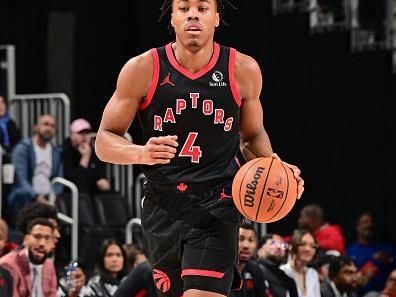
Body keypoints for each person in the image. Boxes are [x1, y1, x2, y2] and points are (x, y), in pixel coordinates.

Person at [95, 1, 305, 297]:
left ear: (217, 18)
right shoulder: (143, 68)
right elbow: (104, 140)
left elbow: (251, 135)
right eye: (183, 7)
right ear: (172, 18)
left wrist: (275, 168)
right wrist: (140, 152)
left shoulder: (242, 69)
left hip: (217, 203)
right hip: (163, 204)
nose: (193, 14)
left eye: (203, 7)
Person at [7, 114, 63, 214]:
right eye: (46, 124)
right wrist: (36, 196)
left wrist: (53, 197)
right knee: (21, 194)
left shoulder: (56, 152)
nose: (49, 128)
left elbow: (59, 180)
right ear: (35, 127)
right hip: (27, 196)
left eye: (53, 126)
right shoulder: (23, 148)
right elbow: (20, 179)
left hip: (48, 197)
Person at [0, 218, 57, 297]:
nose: (42, 243)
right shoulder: (9, 265)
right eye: (37, 236)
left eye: (47, 238)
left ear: (52, 244)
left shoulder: (49, 265)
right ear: (26, 239)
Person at [347, 212, 396, 296]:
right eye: (365, 222)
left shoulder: (384, 249)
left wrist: (389, 259)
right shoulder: (350, 251)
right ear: (357, 227)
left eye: (371, 222)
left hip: (382, 293)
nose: (369, 225)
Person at [62, 118, 110, 196]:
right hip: (73, 195)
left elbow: (101, 176)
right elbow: (76, 182)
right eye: (80, 133)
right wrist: (85, 157)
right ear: (71, 135)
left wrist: (103, 182)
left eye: (87, 133)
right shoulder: (65, 152)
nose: (84, 136)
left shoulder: (96, 152)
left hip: (94, 194)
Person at [281, 229, 321, 297]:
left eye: (312, 246)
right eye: (302, 244)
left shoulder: (313, 274)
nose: (308, 249)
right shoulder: (282, 272)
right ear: (292, 246)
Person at [231, 222, 265, 297]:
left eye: (251, 240)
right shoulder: (221, 269)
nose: (246, 245)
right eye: (241, 239)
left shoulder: (256, 270)